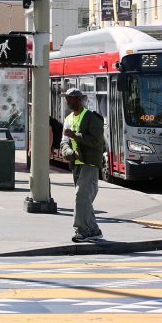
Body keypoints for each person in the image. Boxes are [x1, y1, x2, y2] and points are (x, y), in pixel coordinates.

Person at [59, 88, 106, 243]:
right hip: (76, 164)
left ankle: (82, 231)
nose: (67, 101)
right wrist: (69, 153)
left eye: (70, 98)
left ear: (78, 100)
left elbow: (97, 141)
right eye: (66, 98)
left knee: (81, 197)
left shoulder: (91, 118)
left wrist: (75, 136)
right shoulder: (68, 119)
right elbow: (63, 143)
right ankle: (94, 230)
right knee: (84, 199)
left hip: (89, 164)